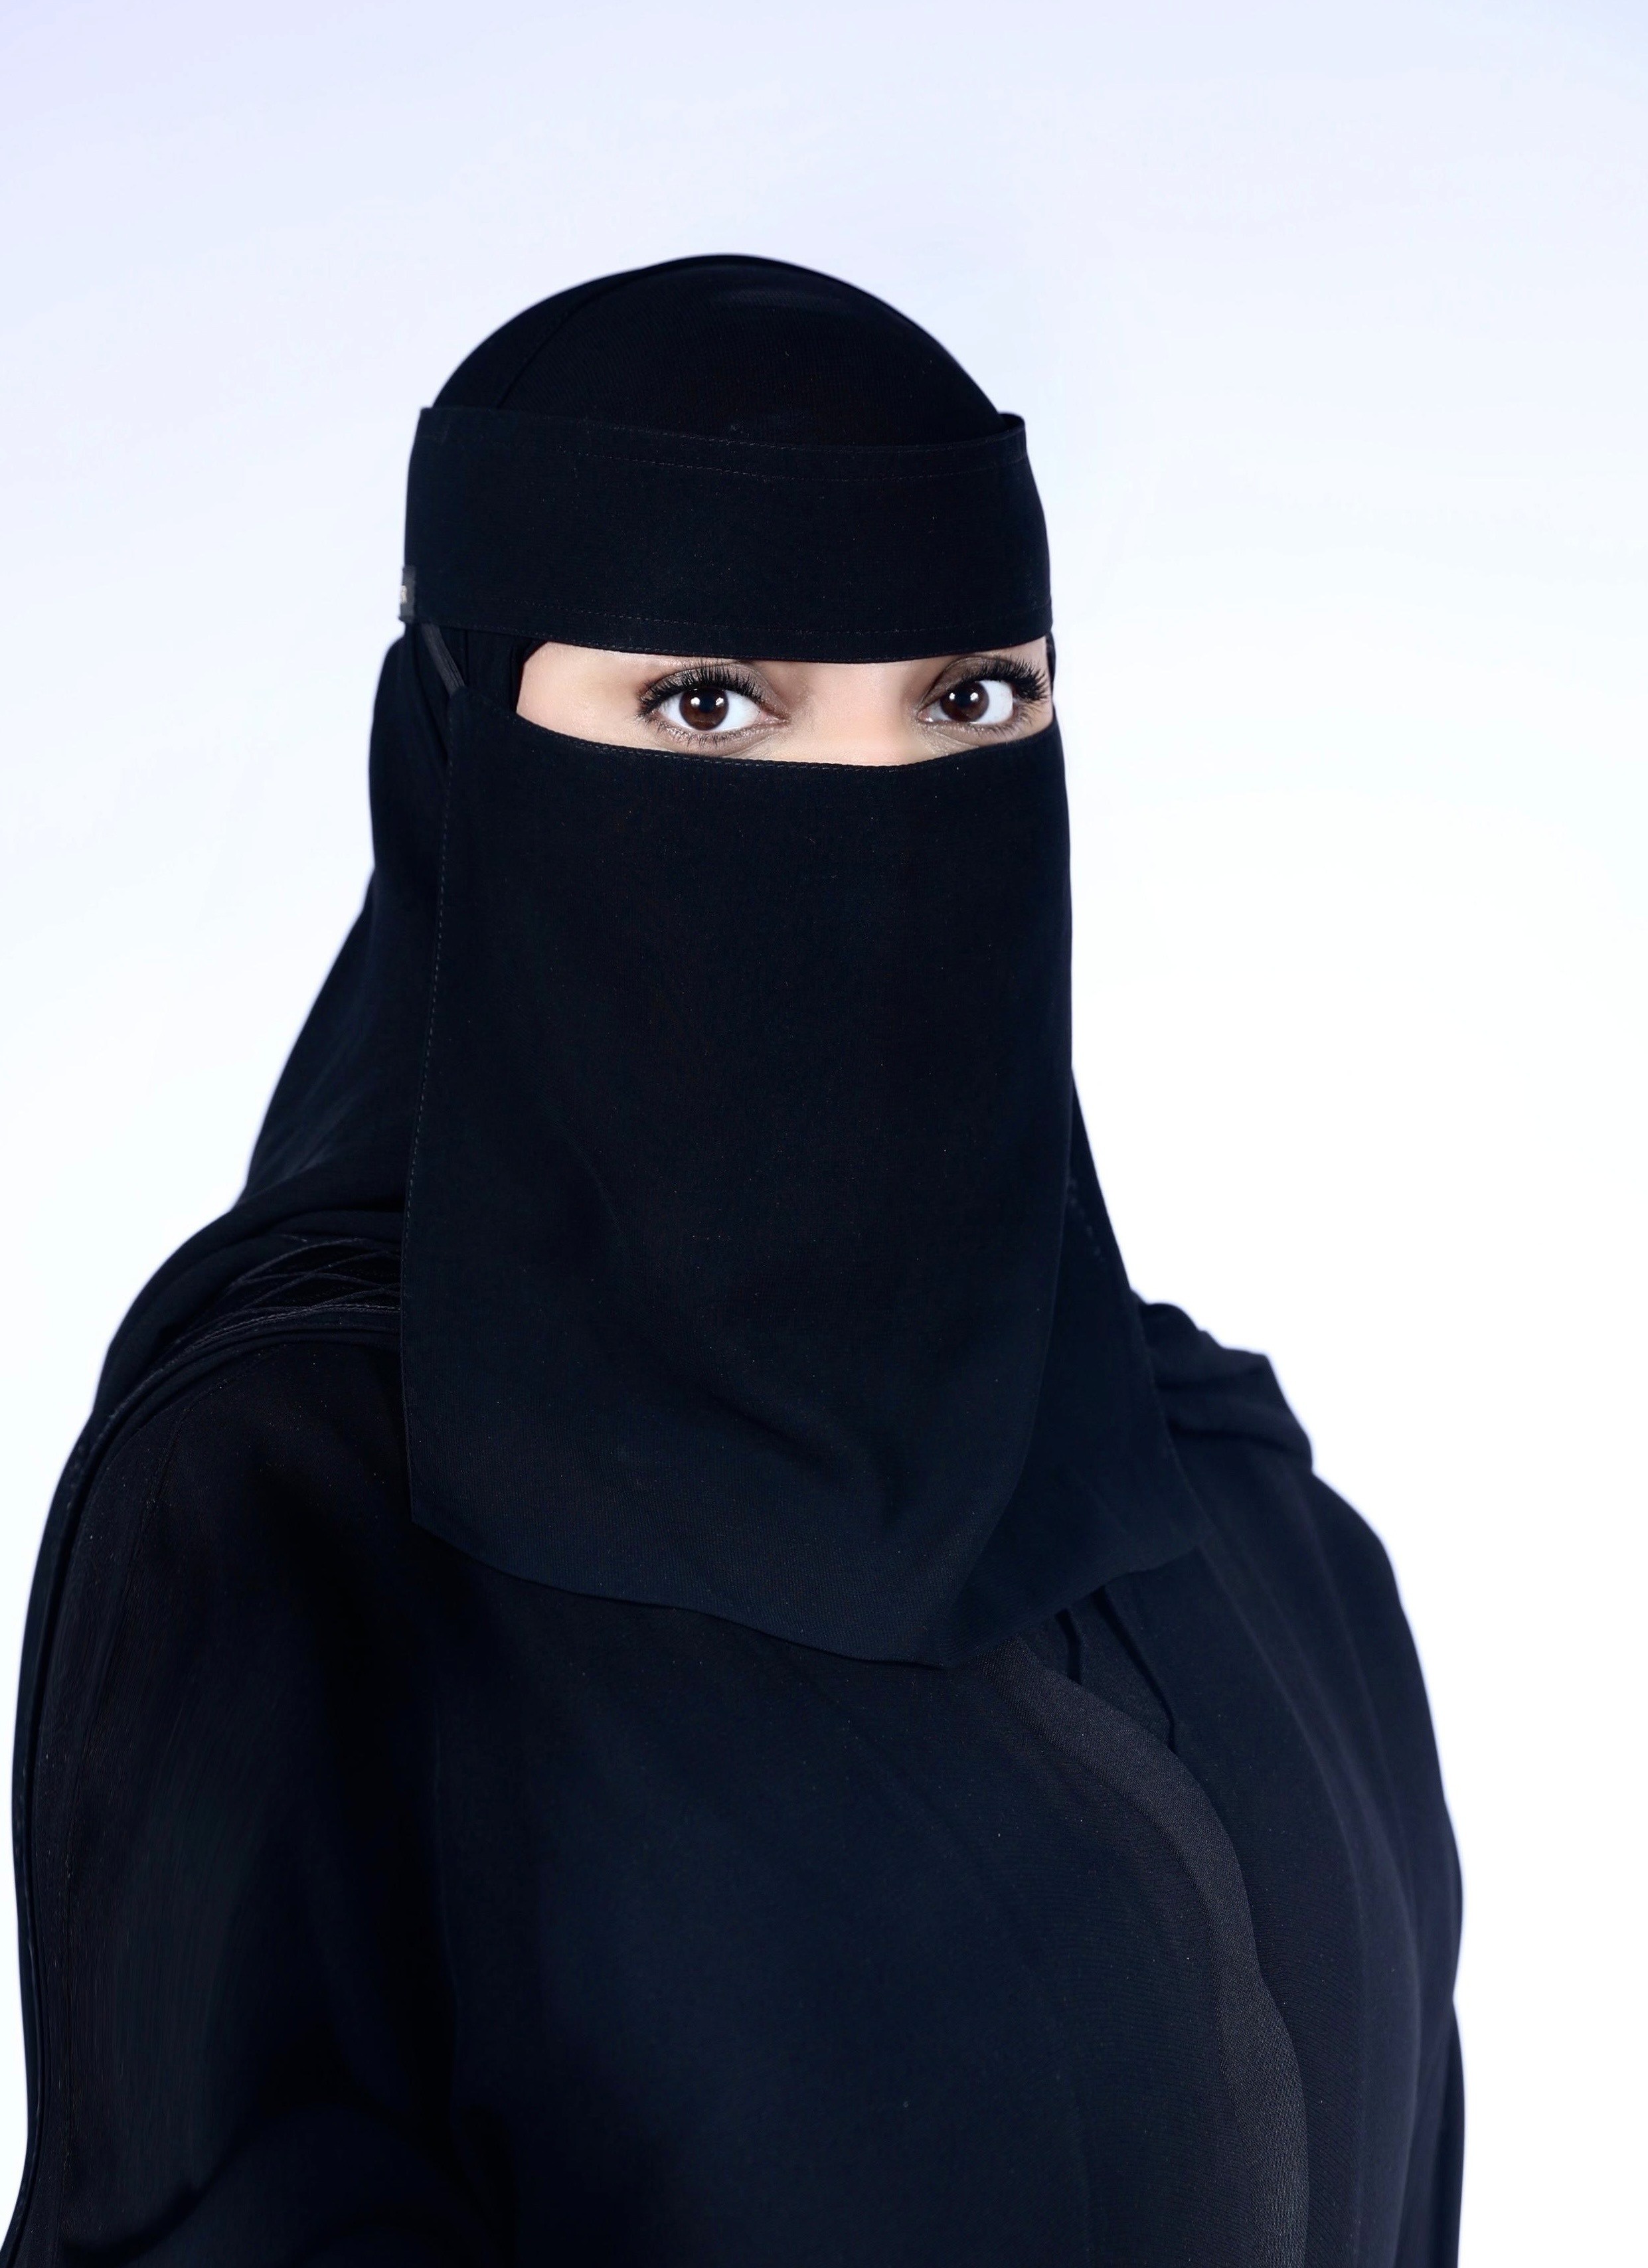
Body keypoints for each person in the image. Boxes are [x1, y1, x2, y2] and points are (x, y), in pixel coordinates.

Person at [4, 256, 1461, 2268]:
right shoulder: (303, 1504)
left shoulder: (1238, 1504)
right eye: (707, 703)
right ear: (457, 748)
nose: (877, 817)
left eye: (967, 699)